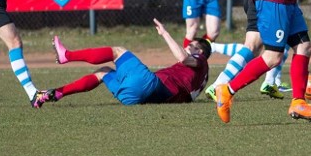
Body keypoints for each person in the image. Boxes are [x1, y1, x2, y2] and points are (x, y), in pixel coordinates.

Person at [32, 19, 212, 107]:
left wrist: (165, 33)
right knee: (103, 72)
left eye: (192, 46)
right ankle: (56, 93)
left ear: (200, 51)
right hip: (135, 98)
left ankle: (67, 55)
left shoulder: (201, 60)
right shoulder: (199, 77)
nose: (187, 47)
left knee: (118, 51)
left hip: (147, 86)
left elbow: (183, 58)